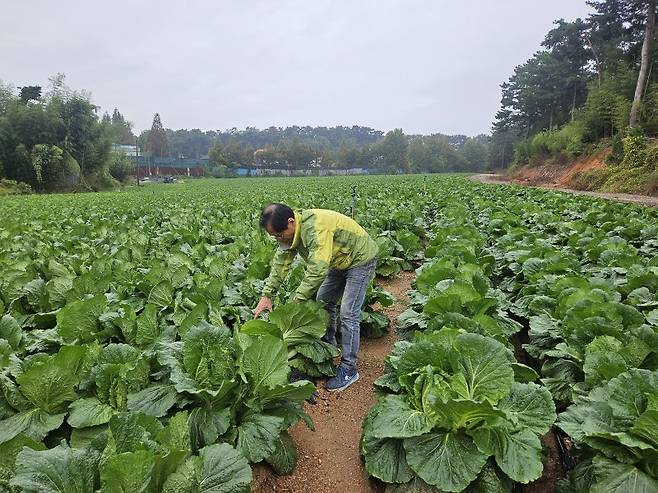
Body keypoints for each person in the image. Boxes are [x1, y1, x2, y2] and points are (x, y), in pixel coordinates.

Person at [253, 203, 378, 392]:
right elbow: (281, 264)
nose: (279, 239)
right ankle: (328, 346)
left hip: (360, 258)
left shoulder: (316, 227)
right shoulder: (290, 234)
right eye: (274, 237)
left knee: (348, 312)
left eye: (279, 235)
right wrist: (267, 295)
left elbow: (317, 270)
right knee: (323, 301)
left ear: (291, 222)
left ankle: (349, 368)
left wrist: (298, 300)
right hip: (338, 261)